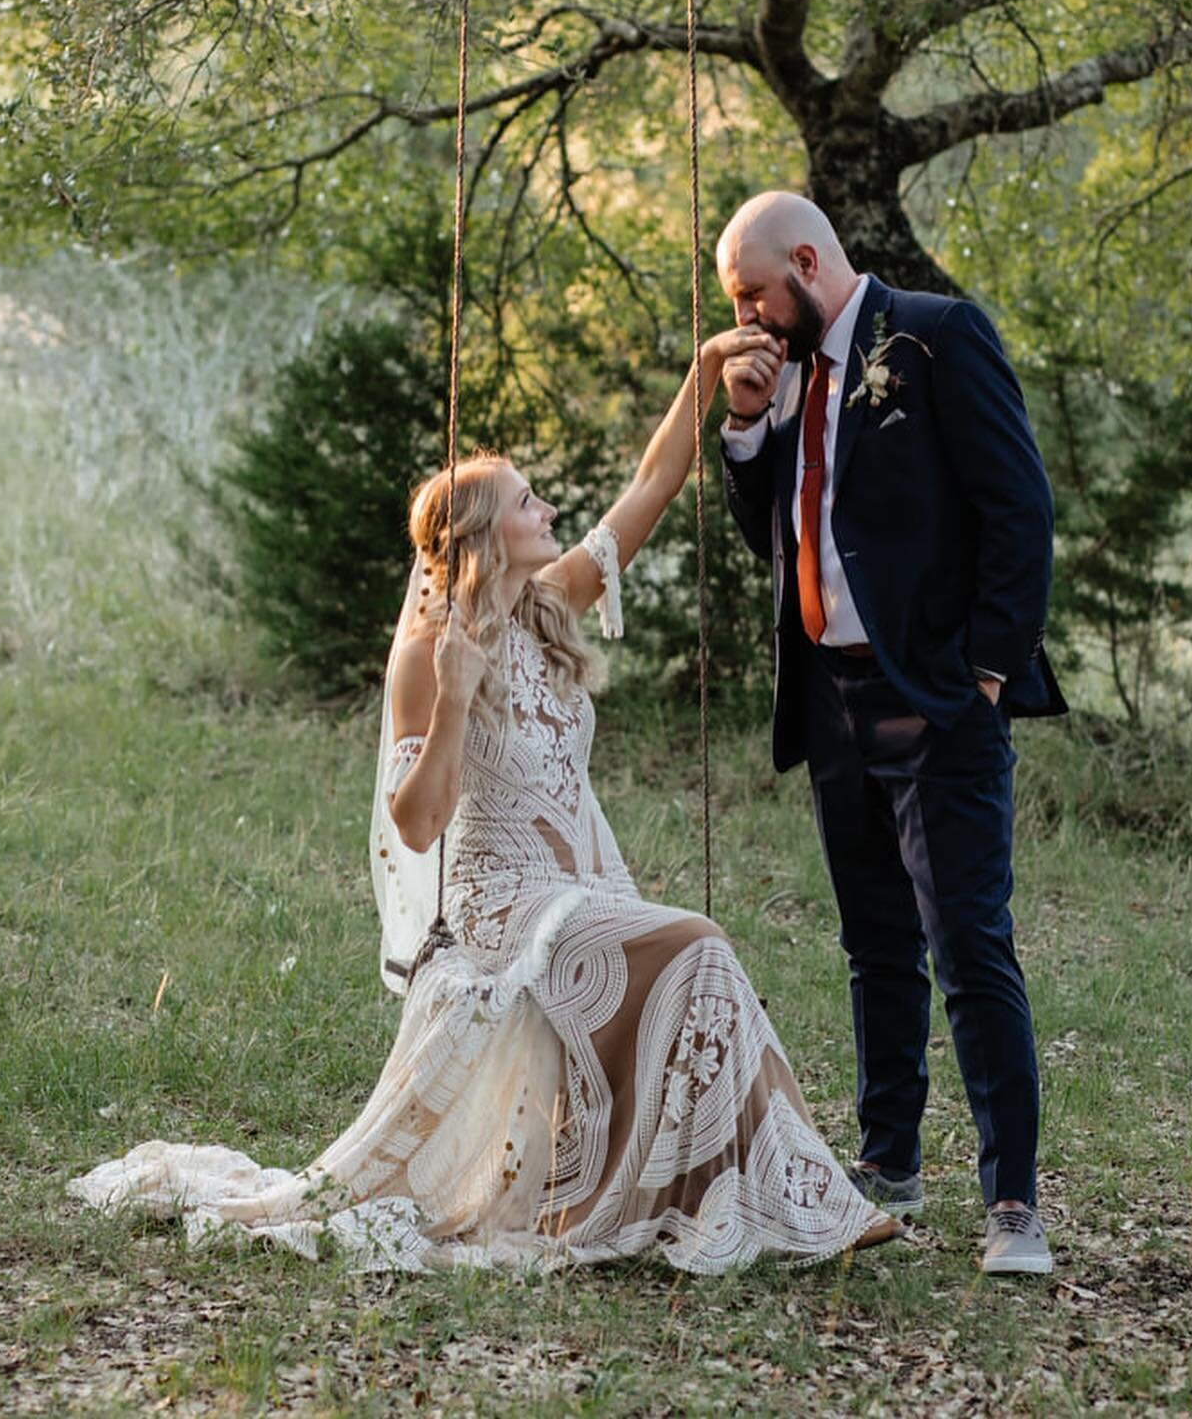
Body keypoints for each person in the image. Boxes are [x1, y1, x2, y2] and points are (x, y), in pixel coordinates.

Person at [69, 326, 900, 1273]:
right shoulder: (432, 651)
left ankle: (765, 1197)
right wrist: (458, 698)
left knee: (700, 956)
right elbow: (416, 823)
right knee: (699, 943)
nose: (547, 509)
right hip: (503, 903)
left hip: (580, 881)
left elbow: (652, 488)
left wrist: (704, 375)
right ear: (479, 535)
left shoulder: (548, 601)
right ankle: (808, 1202)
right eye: (526, 501)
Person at [716, 191, 1067, 1276]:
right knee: (874, 944)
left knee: (969, 948)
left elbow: (1021, 509)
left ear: (807, 263)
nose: (745, 318)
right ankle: (888, 1162)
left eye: (752, 296)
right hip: (830, 699)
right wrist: (743, 427)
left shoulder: (935, 335)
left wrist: (989, 672)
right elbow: (778, 536)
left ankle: (1012, 1202)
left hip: (938, 697)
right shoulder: (788, 384)